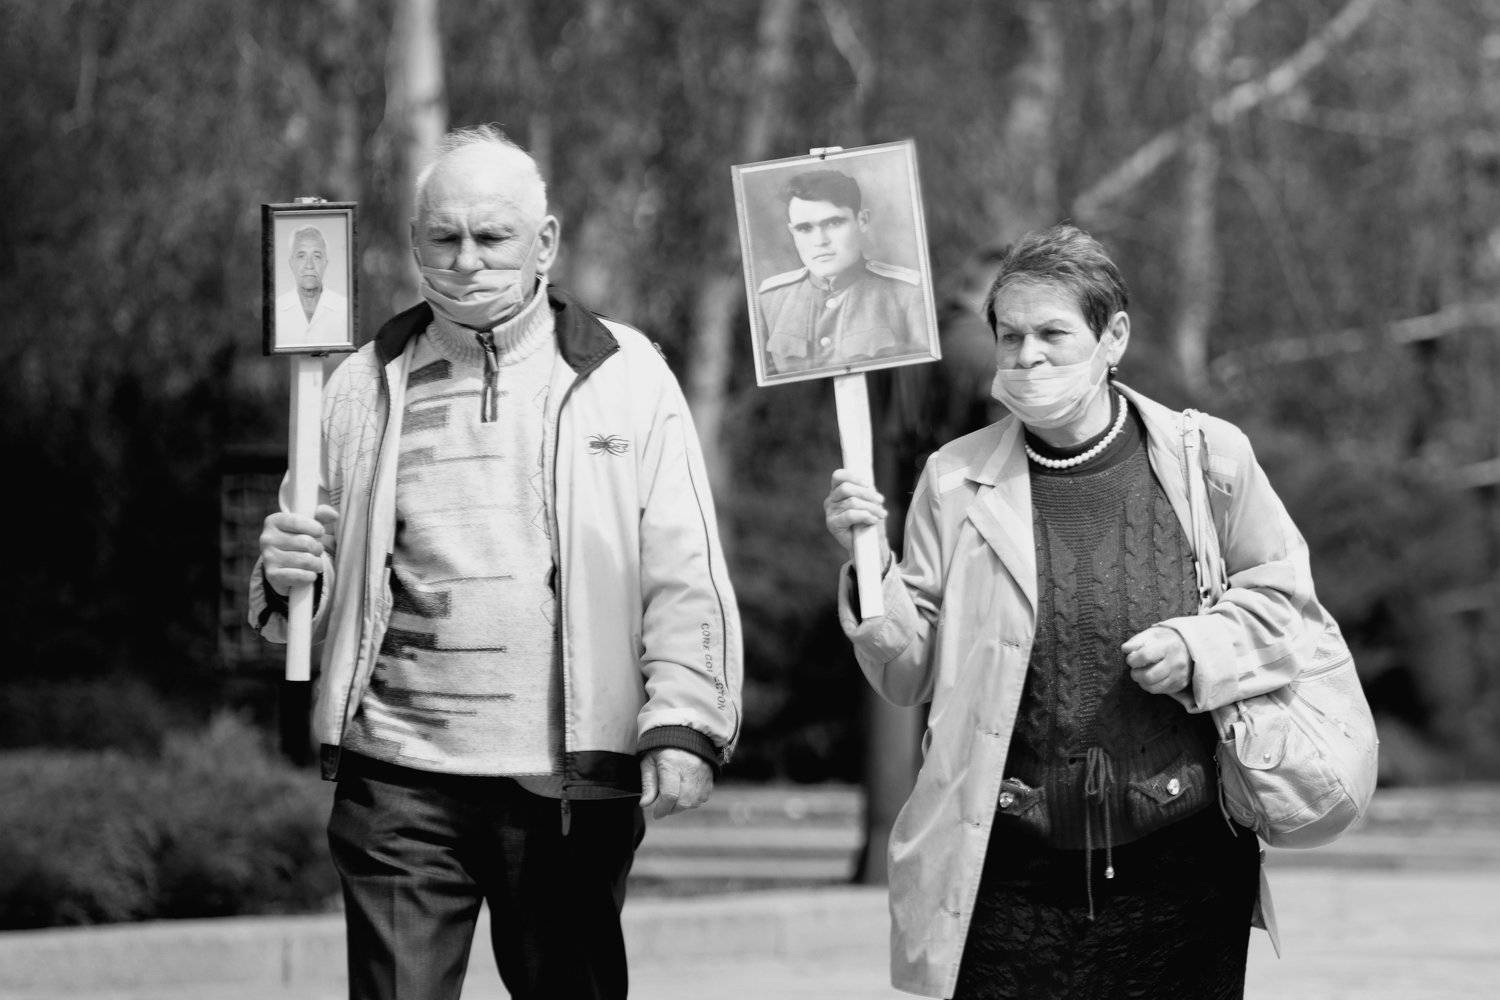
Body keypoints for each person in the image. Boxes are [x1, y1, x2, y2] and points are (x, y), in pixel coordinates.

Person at [249, 125, 742, 1000]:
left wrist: (684, 724)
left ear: (544, 242)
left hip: (567, 787)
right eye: (444, 237)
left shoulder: (627, 375)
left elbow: (683, 565)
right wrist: (288, 577)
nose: (466, 259)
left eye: (492, 236)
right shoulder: (356, 385)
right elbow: (307, 594)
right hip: (396, 779)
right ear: (414, 242)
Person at [823, 224, 1326, 999]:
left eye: (1052, 334)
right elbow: (908, 671)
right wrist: (868, 568)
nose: (1027, 357)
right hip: (1007, 877)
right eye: (1010, 336)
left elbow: (1283, 603)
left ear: (1112, 337)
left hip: (1184, 871)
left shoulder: (1209, 459)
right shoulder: (951, 481)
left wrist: (1199, 649)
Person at [757, 168, 927, 375]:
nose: (820, 241)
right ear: (792, 232)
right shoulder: (770, 299)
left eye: (834, 223)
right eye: (804, 228)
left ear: (862, 221)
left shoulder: (908, 294)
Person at [274, 225, 350, 348]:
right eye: (301, 256)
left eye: (316, 256)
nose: (309, 265)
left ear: (325, 263)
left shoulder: (345, 309)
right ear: (291, 263)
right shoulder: (276, 310)